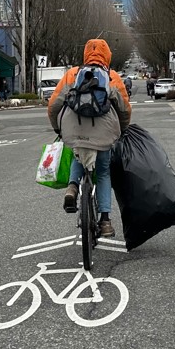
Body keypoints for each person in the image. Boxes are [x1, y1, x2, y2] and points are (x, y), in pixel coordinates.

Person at [48, 39, 132, 237]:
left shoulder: (72, 75)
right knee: (103, 172)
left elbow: (53, 106)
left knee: (78, 152)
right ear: (108, 56)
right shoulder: (112, 77)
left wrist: (58, 128)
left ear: (86, 54)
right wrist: (123, 130)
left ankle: (72, 187)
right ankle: (105, 221)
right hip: (104, 133)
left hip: (74, 129)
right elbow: (124, 110)